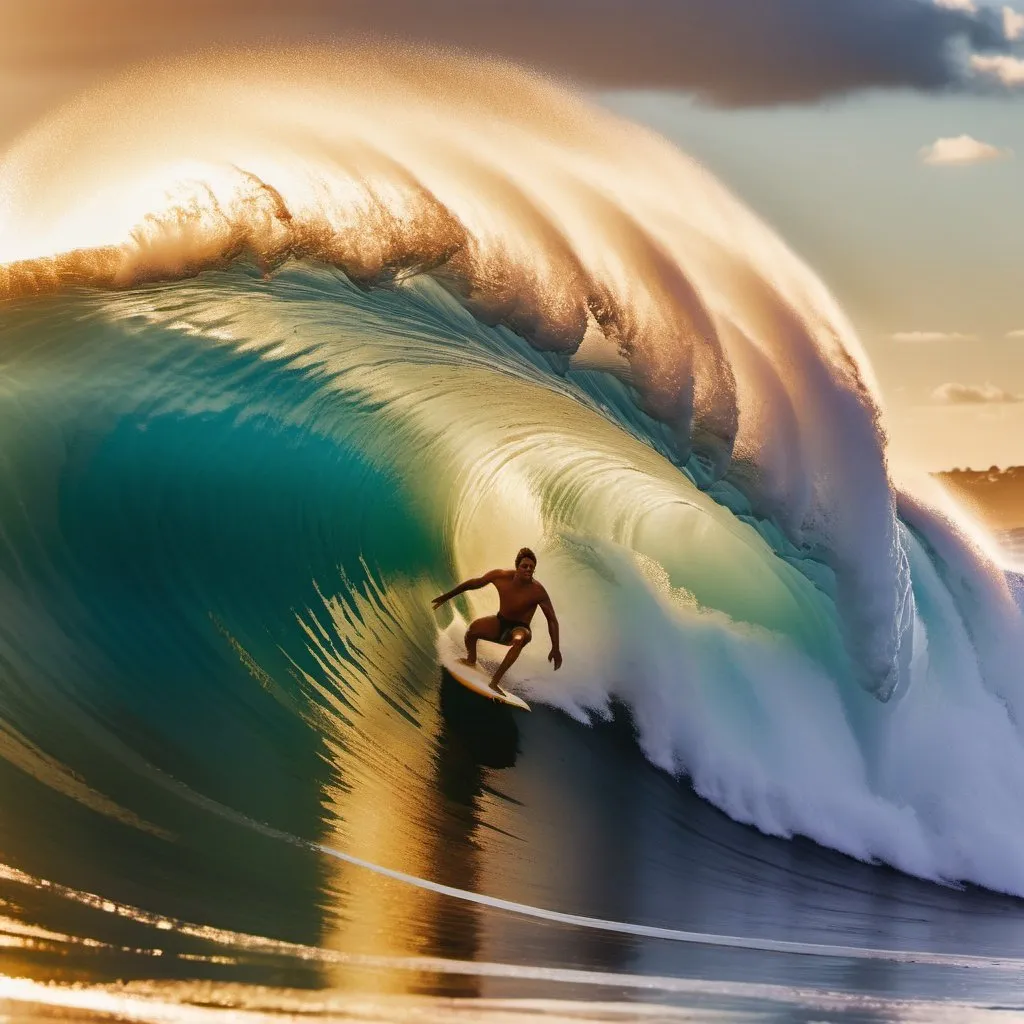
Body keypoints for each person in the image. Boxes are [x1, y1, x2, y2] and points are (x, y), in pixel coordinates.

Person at [432, 547, 561, 692]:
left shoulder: (538, 591)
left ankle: (495, 682)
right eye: (524, 566)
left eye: (532, 567)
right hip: (500, 622)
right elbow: (474, 583)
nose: (528, 569)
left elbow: (552, 619)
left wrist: (555, 647)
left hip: (521, 628)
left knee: (519, 639)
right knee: (473, 630)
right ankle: (471, 660)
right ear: (517, 567)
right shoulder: (501, 576)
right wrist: (446, 597)